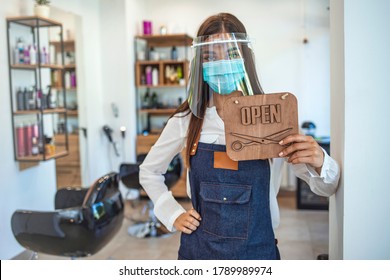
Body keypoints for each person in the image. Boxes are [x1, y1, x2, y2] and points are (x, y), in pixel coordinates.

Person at [139, 12, 340, 260]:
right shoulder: (188, 120)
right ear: (200, 64)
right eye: (211, 57)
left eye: (231, 55)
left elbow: (326, 187)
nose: (222, 64)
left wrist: (320, 160)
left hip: (257, 253)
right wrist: (172, 213)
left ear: (245, 59)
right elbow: (148, 171)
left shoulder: (272, 118)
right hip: (199, 254)